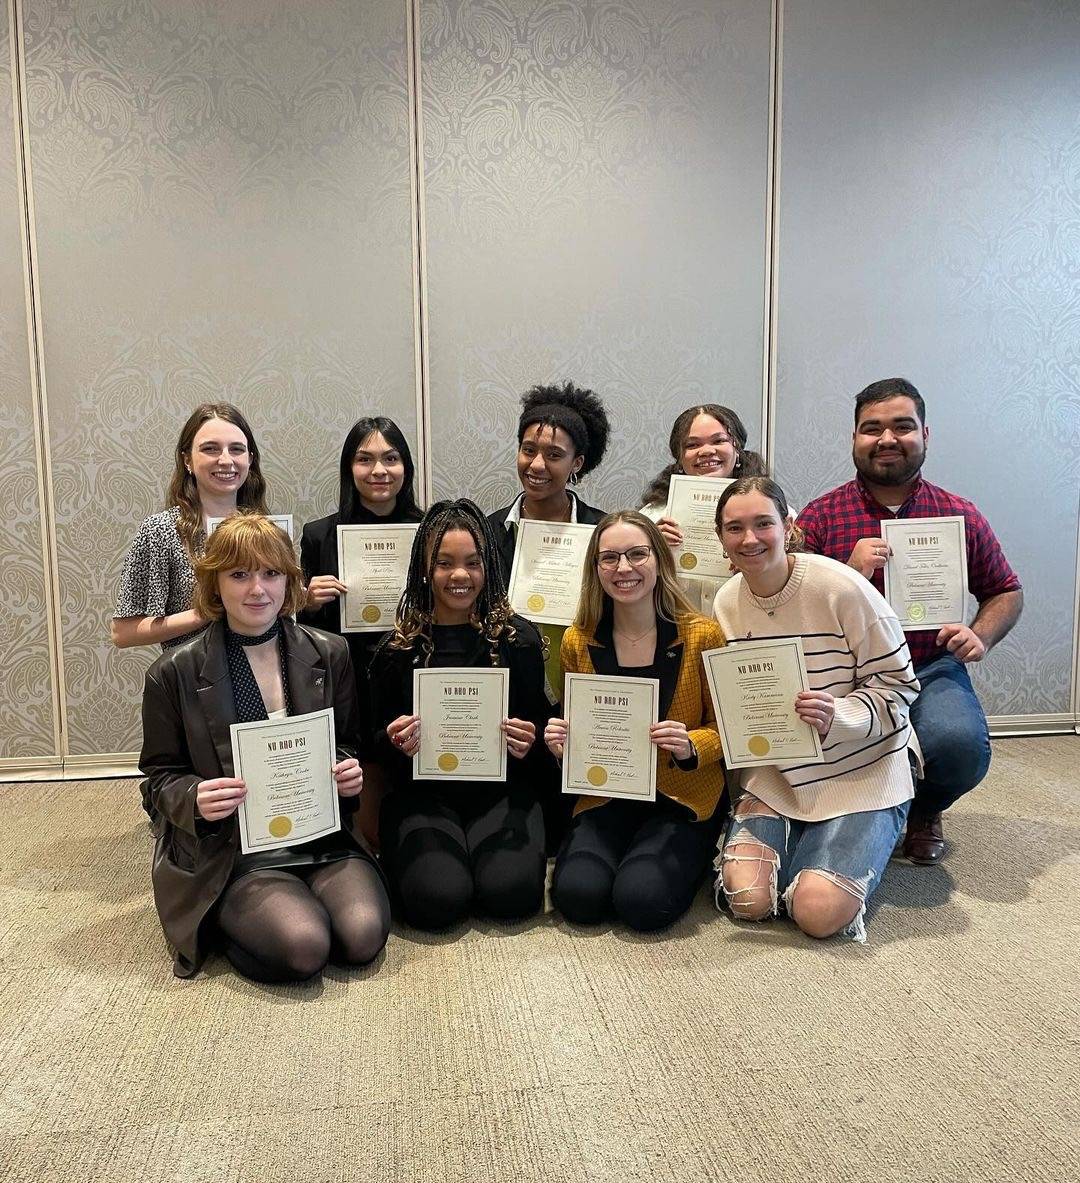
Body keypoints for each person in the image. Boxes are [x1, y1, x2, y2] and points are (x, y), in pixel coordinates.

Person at [139, 514, 390, 980]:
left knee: (362, 935)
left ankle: (285, 908)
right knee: (304, 946)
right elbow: (158, 778)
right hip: (232, 848)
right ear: (215, 584)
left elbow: (346, 742)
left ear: (289, 581)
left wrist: (346, 769)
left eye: (271, 573)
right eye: (239, 574)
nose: (258, 589)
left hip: (319, 835)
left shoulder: (330, 653)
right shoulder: (173, 673)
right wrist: (194, 798)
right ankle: (225, 922)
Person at [796, 378, 1022, 864]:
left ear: (925, 434)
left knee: (960, 747)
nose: (887, 439)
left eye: (902, 426)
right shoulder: (819, 517)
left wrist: (980, 636)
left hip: (929, 665)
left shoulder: (959, 515)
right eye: (871, 428)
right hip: (846, 673)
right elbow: (790, 605)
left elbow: (1006, 590)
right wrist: (847, 573)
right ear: (854, 438)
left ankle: (924, 808)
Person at [712, 478, 919, 942]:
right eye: (735, 528)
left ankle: (876, 826)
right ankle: (809, 838)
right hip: (779, 773)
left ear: (788, 527)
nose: (749, 539)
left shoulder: (841, 587)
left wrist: (840, 715)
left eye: (763, 523)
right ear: (720, 537)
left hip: (863, 769)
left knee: (816, 912)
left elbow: (901, 687)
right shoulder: (725, 602)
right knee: (748, 900)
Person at [370, 499, 552, 931]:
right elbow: (372, 740)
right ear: (424, 570)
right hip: (422, 795)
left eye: (472, 562)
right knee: (437, 902)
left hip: (503, 792)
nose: (459, 575)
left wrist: (531, 739)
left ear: (489, 566)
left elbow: (544, 729)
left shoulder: (518, 640)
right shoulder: (398, 648)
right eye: (444, 563)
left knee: (510, 895)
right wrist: (394, 739)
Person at [544, 511, 727, 931]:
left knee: (641, 902)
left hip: (680, 798)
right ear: (595, 569)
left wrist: (691, 744)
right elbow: (577, 726)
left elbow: (725, 728)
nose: (623, 568)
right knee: (578, 898)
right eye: (609, 558)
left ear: (659, 559)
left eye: (637, 554)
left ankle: (687, 855)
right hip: (606, 794)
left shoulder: (702, 635)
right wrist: (561, 744)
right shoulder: (578, 640)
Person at [112, 403, 269, 650]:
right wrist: (204, 613)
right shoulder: (161, 530)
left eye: (236, 449)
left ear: (249, 459)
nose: (226, 460)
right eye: (210, 449)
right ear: (187, 460)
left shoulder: (266, 529)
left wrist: (303, 598)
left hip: (262, 669)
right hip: (193, 672)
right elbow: (123, 633)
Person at [299, 415, 423, 685]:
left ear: (406, 466)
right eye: (364, 459)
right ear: (349, 468)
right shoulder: (319, 536)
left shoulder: (428, 531)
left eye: (391, 458)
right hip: (345, 676)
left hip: (414, 670)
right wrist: (308, 602)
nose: (379, 470)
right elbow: (303, 629)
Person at [640, 404, 767, 614]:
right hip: (676, 631)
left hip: (747, 629)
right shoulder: (650, 518)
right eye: (692, 445)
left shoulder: (773, 513)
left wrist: (760, 561)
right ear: (680, 457)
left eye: (718, 441)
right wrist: (648, 551)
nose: (707, 451)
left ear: (737, 449)